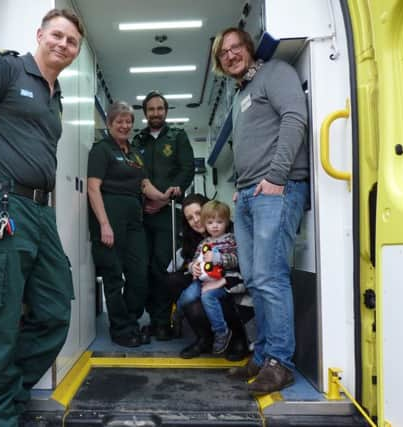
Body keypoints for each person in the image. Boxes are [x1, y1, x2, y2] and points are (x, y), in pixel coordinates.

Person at [0, 9, 84, 426]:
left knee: (56, 309)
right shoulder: (3, 68)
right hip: (3, 205)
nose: (63, 45)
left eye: (72, 42)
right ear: (40, 34)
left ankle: (8, 394)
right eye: (57, 35)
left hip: (41, 213)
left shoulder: (55, 95)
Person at [212, 27, 309, 395]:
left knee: (270, 277)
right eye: (224, 52)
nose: (232, 54)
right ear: (220, 62)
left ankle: (280, 362)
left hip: (276, 190)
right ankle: (264, 353)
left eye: (237, 47)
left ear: (249, 49)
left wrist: (275, 176)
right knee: (254, 279)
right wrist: (240, 186)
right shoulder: (241, 95)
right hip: (249, 195)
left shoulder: (275, 73)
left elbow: (294, 120)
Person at [88, 101, 175, 348]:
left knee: (139, 275)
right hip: (110, 215)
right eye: (120, 121)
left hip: (134, 219)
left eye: (128, 121)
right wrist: (104, 224)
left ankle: (131, 320)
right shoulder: (101, 150)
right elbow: (93, 188)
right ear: (110, 123)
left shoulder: (134, 153)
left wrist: (162, 196)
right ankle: (121, 328)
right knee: (114, 274)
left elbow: (144, 184)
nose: (125, 125)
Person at [132, 91, 195, 341]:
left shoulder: (178, 136)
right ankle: (150, 317)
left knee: (162, 267)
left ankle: (162, 321)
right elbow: (133, 172)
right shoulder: (138, 141)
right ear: (145, 113)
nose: (156, 113)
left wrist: (167, 197)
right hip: (141, 213)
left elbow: (187, 168)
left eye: (160, 109)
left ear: (166, 111)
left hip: (168, 213)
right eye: (151, 109)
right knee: (142, 268)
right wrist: (147, 198)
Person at [166, 194, 252, 360]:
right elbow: (192, 260)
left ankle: (236, 336)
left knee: (211, 296)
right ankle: (204, 337)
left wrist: (223, 279)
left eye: (198, 213)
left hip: (233, 284)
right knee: (180, 286)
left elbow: (243, 264)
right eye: (190, 218)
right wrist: (193, 267)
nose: (196, 220)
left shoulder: (233, 235)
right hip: (206, 281)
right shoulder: (199, 241)